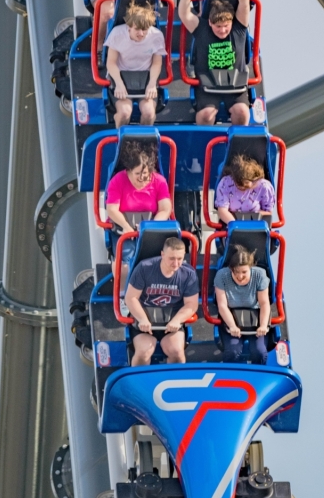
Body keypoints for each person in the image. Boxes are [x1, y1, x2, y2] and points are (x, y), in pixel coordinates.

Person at [179, 0, 251, 126]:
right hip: (208, 85)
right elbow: (184, 15)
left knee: (242, 113)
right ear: (210, 23)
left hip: (235, 85)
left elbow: (245, 5)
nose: (223, 30)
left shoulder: (238, 29)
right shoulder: (203, 29)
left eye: (226, 26)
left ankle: (237, 146)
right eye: (218, 27)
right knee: (206, 115)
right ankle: (204, 145)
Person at [125, 237, 199, 365]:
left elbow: (191, 304)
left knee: (176, 352)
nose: (176, 263)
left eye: (179, 259)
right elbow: (131, 298)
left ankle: (175, 382)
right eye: (171, 258)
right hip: (145, 321)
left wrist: (177, 320)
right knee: (143, 352)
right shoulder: (145, 268)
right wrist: (142, 319)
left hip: (171, 322)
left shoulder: (188, 274)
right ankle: (141, 383)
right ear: (162, 254)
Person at [106, 140, 172, 275]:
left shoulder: (159, 181)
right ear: (129, 170)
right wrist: (126, 226)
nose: (141, 178)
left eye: (146, 175)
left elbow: (165, 208)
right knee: (125, 264)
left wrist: (151, 226)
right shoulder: (118, 180)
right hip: (123, 227)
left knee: (160, 261)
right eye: (137, 174)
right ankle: (123, 293)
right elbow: (112, 209)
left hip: (150, 226)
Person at [105, 0, 167, 127]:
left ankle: (143, 142)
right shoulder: (118, 34)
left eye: (144, 29)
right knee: (124, 113)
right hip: (122, 75)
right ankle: (120, 136)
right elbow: (111, 62)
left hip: (145, 76)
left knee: (149, 113)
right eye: (137, 29)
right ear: (129, 26)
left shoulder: (156, 35)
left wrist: (151, 84)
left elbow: (156, 63)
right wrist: (119, 84)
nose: (141, 33)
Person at [214, 246, 270, 364]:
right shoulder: (222, 276)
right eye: (236, 272)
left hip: (254, 316)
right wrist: (232, 326)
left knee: (259, 351)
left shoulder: (259, 275)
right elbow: (222, 305)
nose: (240, 276)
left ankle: (257, 376)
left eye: (244, 272)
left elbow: (264, 303)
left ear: (251, 268)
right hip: (231, 315)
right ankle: (230, 378)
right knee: (233, 351)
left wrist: (263, 325)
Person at [215, 154, 275, 224]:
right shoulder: (226, 183)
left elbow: (268, 212)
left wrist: (253, 218)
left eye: (245, 185)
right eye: (238, 184)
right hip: (231, 222)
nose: (241, 187)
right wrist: (236, 226)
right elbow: (222, 210)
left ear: (254, 180)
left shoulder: (264, 187)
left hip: (256, 223)